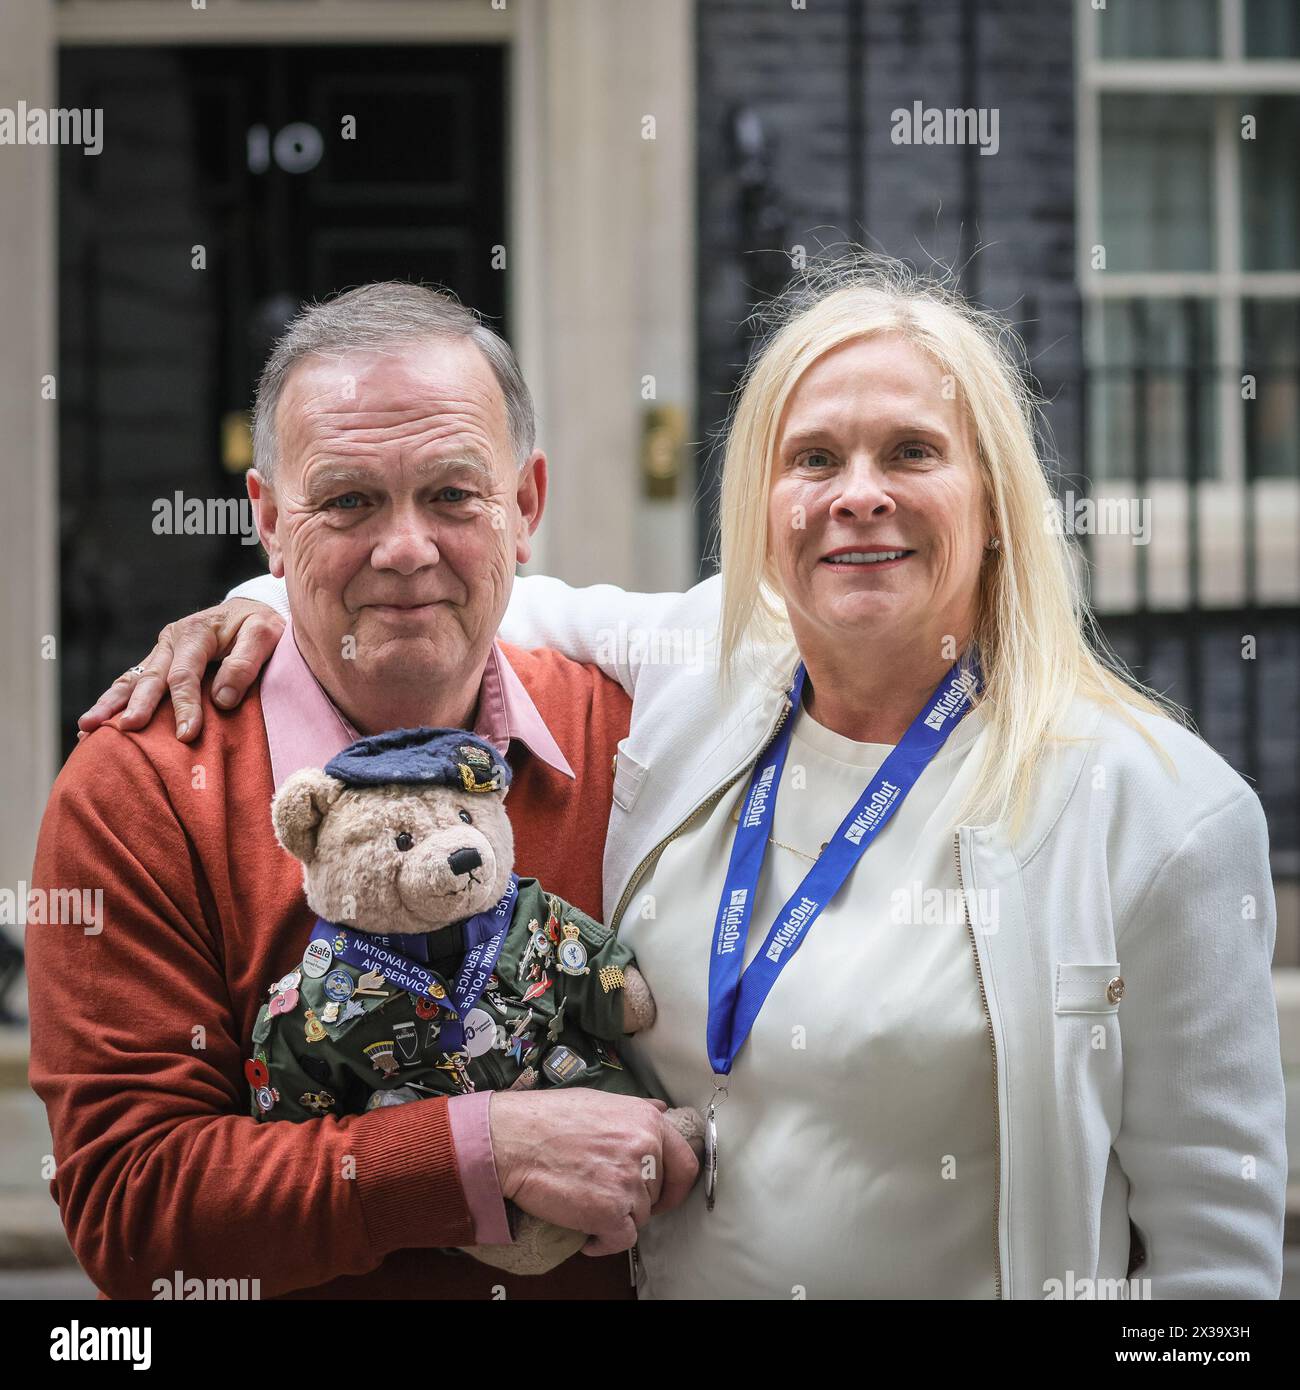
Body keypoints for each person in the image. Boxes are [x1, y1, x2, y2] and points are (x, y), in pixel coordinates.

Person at [86, 256, 1287, 1299]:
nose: (855, 491)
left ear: (996, 502)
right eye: (810, 456)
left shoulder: (1161, 811)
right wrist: (259, 603)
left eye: (911, 451)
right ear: (763, 506)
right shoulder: (696, 684)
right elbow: (462, 585)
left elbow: (1214, 1259)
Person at [30, 282, 699, 1302]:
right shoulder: (143, 789)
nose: (404, 548)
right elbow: (135, 1210)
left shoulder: (637, 737)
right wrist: (480, 1151)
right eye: (347, 500)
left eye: (451, 494)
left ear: (525, 507)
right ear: (268, 521)